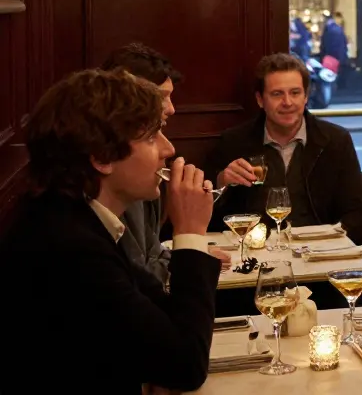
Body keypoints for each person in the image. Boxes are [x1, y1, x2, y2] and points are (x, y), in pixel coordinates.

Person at [0, 69, 220, 392]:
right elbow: (185, 364)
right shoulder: (67, 246)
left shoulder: (76, 217)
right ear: (103, 157)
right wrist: (190, 233)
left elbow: (162, 315)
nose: (168, 149)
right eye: (150, 137)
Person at [207, 53, 362, 244]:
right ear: (260, 100)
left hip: (318, 254)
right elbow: (206, 215)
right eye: (277, 94)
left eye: (295, 93)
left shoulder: (336, 140)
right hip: (255, 254)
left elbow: (358, 213)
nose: (287, 102)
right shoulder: (234, 141)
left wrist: (329, 243)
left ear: (306, 97)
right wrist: (221, 184)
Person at [101, 43, 230, 281]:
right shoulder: (119, 179)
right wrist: (191, 243)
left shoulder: (145, 176)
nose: (171, 109)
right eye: (161, 97)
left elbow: (153, 254)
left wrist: (194, 254)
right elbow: (141, 276)